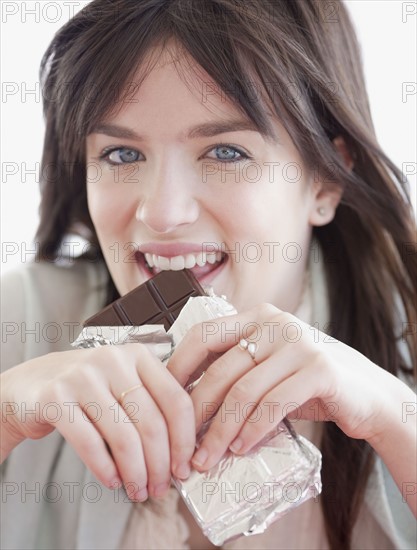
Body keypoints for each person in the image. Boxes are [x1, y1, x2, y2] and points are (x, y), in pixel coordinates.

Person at [1, 1, 416, 549]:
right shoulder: (24, 323)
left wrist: (395, 422)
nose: (161, 212)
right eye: (122, 154)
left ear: (324, 181)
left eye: (225, 151)